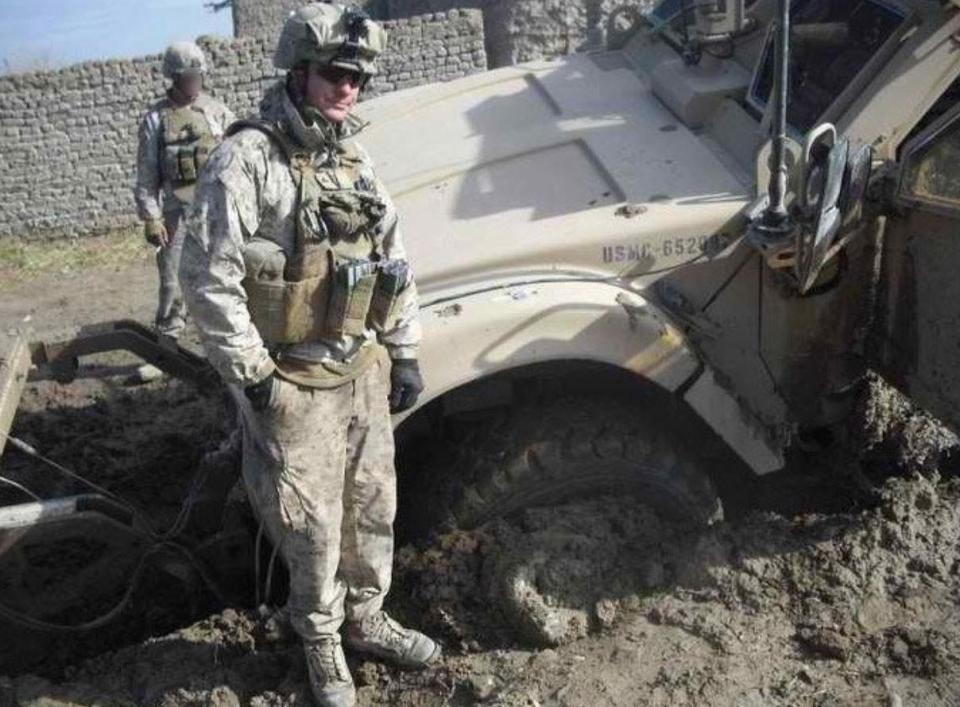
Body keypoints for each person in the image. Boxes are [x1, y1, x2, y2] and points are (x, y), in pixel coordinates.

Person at [178, 5, 436, 706]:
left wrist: (404, 349)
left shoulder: (353, 155)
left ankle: (366, 616)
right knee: (311, 523)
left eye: (356, 75)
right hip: (292, 381)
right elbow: (206, 276)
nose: (347, 86)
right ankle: (321, 638)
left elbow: (393, 258)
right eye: (333, 73)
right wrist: (256, 378)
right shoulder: (248, 158)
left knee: (372, 505)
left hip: (360, 370)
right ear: (299, 72)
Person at [134, 41, 235, 350]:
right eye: (189, 76)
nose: (195, 82)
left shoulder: (217, 112)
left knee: (225, 278)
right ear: (174, 78)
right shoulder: (155, 120)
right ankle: (166, 347)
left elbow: (239, 155)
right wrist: (151, 217)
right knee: (172, 283)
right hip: (178, 214)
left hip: (219, 210)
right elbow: (147, 175)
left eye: (199, 76)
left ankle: (224, 345)